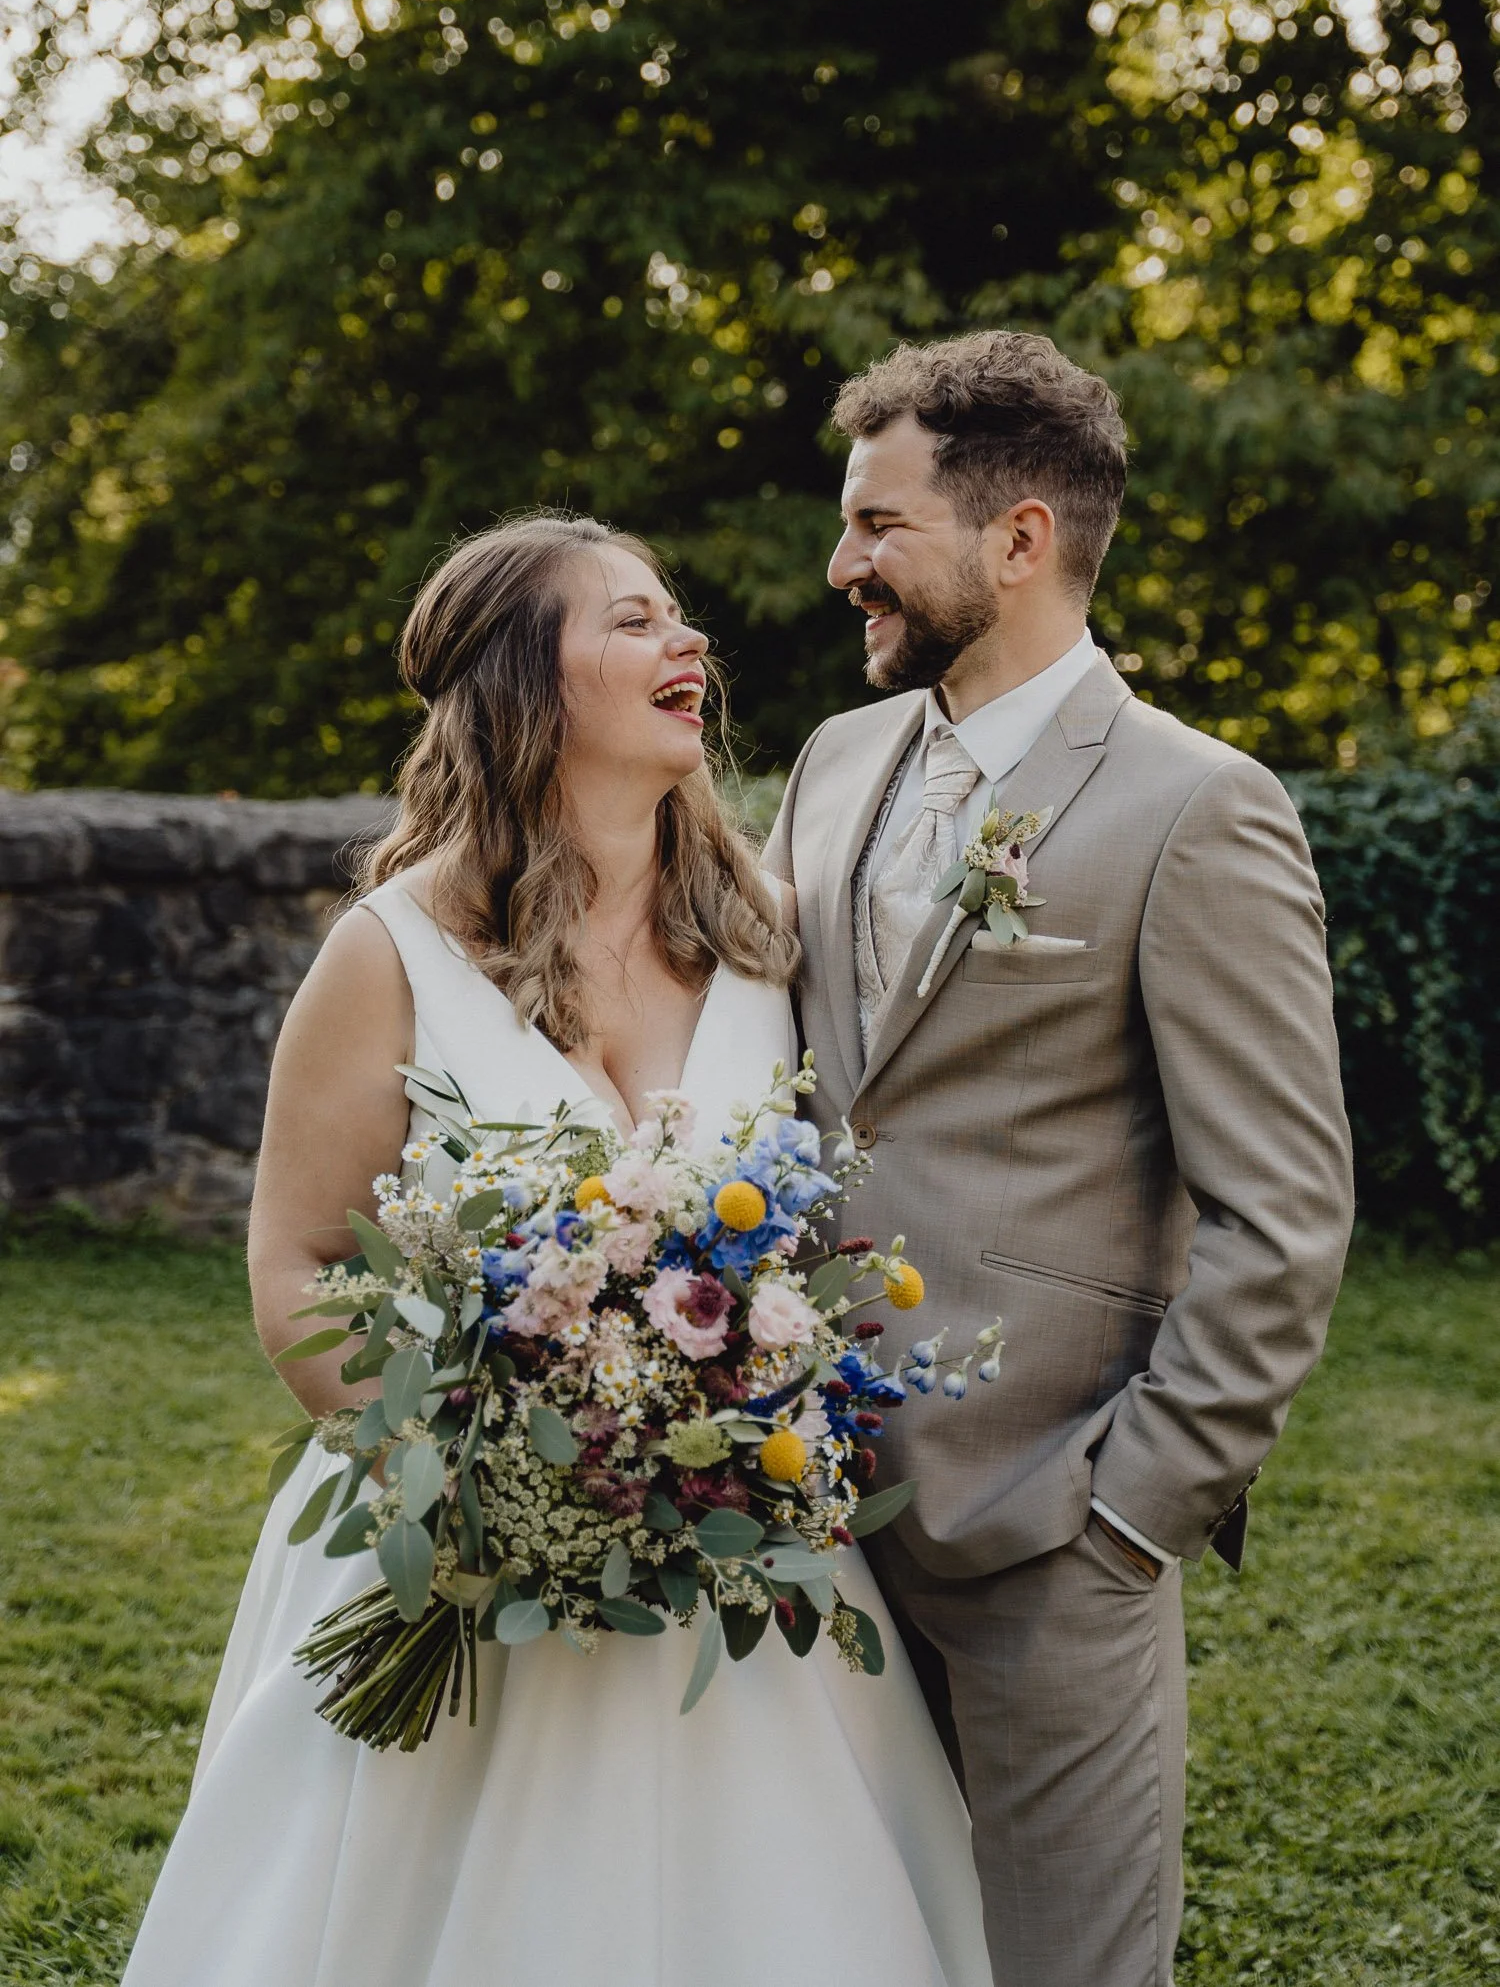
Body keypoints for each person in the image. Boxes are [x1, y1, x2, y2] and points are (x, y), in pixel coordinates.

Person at [120, 513, 991, 1987]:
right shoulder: (388, 951)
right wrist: (496, 1483)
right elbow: (299, 1265)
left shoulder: (774, 939)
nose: (689, 641)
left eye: (678, 616)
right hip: (466, 1572)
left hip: (741, 1572)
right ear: (529, 684)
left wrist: (711, 1440)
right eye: (636, 620)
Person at [762, 330, 1356, 1987]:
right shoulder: (831, 764)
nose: (842, 564)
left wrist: (1130, 1510)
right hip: (805, 1515)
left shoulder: (1199, 809)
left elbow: (1285, 1212)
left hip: (1049, 1531)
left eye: (879, 524)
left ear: (1018, 537)